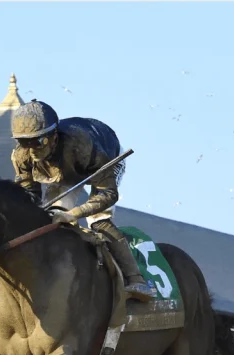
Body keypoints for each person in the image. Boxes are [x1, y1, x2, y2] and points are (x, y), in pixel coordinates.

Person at [9, 99, 154, 302]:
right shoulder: (21, 155)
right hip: (64, 171)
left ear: (53, 136)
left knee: (98, 220)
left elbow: (108, 194)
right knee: (50, 217)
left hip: (105, 158)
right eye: (25, 142)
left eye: (38, 141)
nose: (32, 150)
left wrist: (74, 213)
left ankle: (135, 278)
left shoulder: (83, 144)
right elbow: (29, 195)